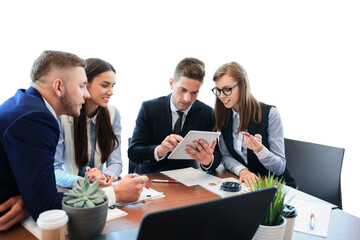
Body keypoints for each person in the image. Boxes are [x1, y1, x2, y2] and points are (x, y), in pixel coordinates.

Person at [0, 50, 147, 230]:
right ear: (59, 87)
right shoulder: (37, 119)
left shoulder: (25, 104)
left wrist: (28, 200)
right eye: (82, 86)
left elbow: (36, 193)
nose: (86, 95)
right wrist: (115, 192)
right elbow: (46, 209)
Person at [128, 57, 222, 174]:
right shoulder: (149, 108)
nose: (187, 99)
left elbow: (217, 154)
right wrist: (160, 150)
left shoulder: (208, 114)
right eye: (183, 90)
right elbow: (133, 153)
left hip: (188, 179)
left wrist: (208, 161)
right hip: (150, 177)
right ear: (172, 83)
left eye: (194, 93)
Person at [212, 62, 296, 187]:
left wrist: (260, 150)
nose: (221, 96)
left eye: (227, 89)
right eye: (218, 90)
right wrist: (242, 170)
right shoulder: (223, 115)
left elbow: (279, 167)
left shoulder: (270, 114)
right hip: (247, 185)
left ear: (242, 86)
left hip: (276, 187)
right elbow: (226, 156)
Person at [54, 58, 123, 188]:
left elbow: (116, 163)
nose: (111, 92)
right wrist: (82, 181)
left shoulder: (113, 114)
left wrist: (104, 176)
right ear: (85, 84)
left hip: (99, 187)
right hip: (68, 189)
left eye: (112, 86)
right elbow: (55, 169)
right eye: (105, 85)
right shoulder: (62, 115)